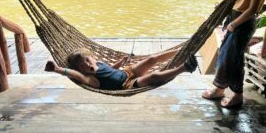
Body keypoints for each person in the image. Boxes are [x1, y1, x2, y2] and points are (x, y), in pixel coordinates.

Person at [201, 0, 266, 108]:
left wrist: (234, 24)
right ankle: (222, 89)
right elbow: (240, 0)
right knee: (227, 56)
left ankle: (234, 94)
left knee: (232, 59)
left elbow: (252, 10)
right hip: (235, 20)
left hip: (242, 24)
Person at [45, 48, 198, 90]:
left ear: (92, 57)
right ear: (80, 70)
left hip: (127, 72)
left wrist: (122, 61)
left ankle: (182, 51)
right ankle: (185, 67)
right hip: (127, 84)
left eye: (87, 59)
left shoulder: (99, 63)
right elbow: (77, 77)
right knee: (154, 76)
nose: (86, 64)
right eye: (81, 66)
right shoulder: (90, 79)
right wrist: (58, 69)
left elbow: (112, 68)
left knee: (152, 59)